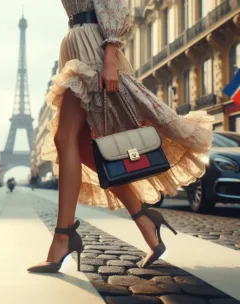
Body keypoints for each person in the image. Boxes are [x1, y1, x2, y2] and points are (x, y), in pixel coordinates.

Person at [27, 0, 214, 273]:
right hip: (76, 45)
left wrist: (110, 58)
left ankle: (63, 237)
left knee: (64, 139)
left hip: (93, 48)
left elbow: (114, 5)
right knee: (81, 147)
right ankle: (144, 219)